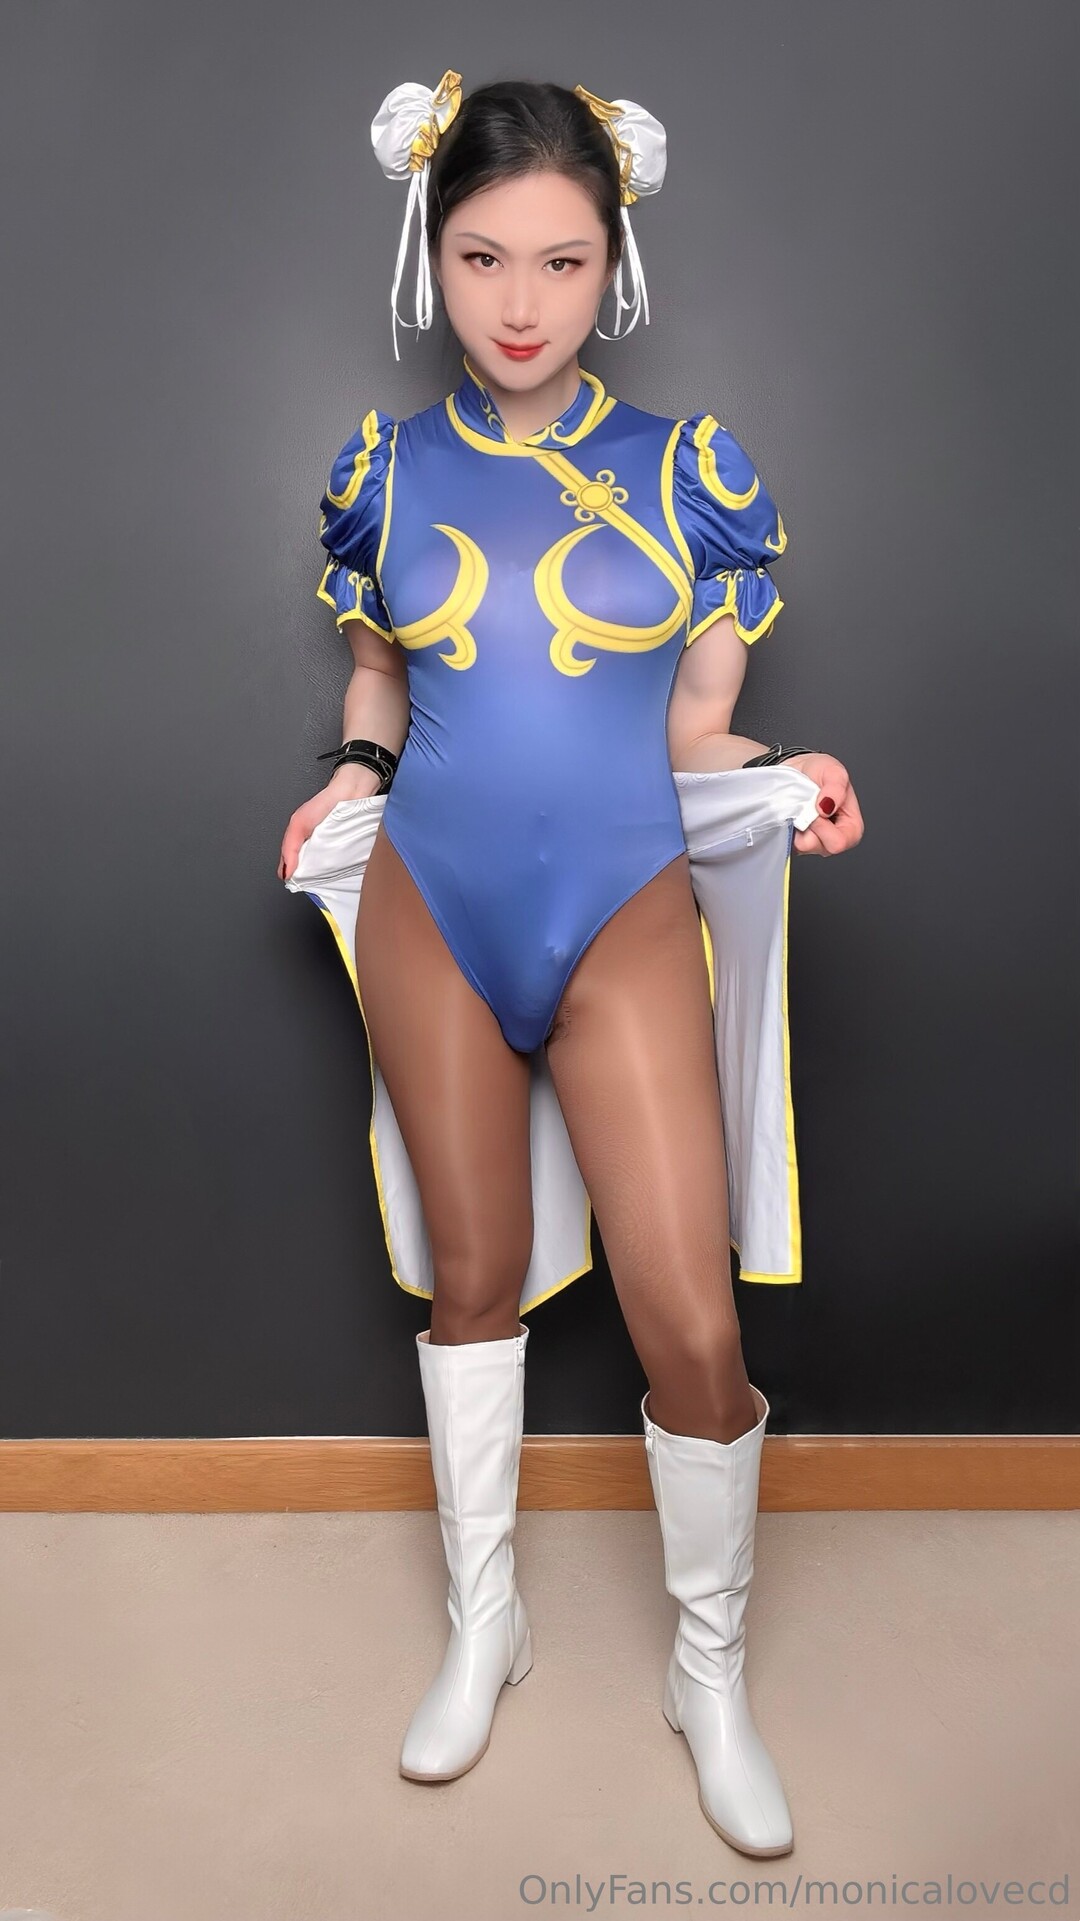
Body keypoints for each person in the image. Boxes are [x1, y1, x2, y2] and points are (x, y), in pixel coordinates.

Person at [279, 74, 864, 1858]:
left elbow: (692, 733)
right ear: (429, 251)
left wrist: (788, 774)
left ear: (615, 261)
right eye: (480, 258)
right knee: (472, 1278)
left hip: (621, 902)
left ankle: (709, 1669)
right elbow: (383, 671)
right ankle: (490, 1624)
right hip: (435, 901)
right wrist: (353, 771)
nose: (519, 303)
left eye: (559, 259)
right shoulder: (381, 472)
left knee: (690, 1313)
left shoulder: (695, 472)